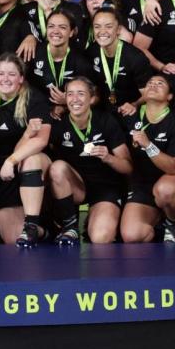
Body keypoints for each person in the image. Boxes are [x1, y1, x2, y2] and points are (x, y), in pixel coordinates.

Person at [0, 54, 52, 245]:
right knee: (11, 239)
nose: (6, 79)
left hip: (24, 166)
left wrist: (11, 161)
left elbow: (41, 140)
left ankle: (32, 224)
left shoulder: (34, 98)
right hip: (1, 173)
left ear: (21, 78)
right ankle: (45, 231)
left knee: (32, 158)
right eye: (1, 73)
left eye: (12, 74)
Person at [44, 76, 132, 244]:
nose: (75, 99)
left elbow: (128, 167)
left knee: (101, 238)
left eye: (81, 94)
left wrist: (109, 158)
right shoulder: (58, 124)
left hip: (105, 189)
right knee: (57, 168)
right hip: (77, 187)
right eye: (70, 94)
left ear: (92, 99)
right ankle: (70, 227)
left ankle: (95, 220)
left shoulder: (106, 121)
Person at [119, 75, 175, 243]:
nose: (153, 85)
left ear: (169, 96)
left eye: (160, 83)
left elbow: (173, 167)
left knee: (165, 190)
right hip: (143, 183)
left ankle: (173, 222)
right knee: (132, 236)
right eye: (149, 83)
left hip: (173, 179)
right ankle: (159, 224)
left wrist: (148, 145)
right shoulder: (130, 115)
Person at [26, 10, 93, 115]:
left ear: (71, 32)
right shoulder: (33, 52)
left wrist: (67, 101)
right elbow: (24, 87)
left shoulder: (81, 60)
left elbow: (92, 97)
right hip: (37, 110)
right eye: (51, 26)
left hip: (70, 113)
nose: (55, 31)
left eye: (62, 27)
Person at [88, 7, 152, 115]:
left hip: (130, 112)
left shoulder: (135, 57)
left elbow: (149, 94)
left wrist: (134, 104)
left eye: (108, 26)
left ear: (118, 29)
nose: (102, 31)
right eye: (97, 27)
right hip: (102, 113)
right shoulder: (91, 52)